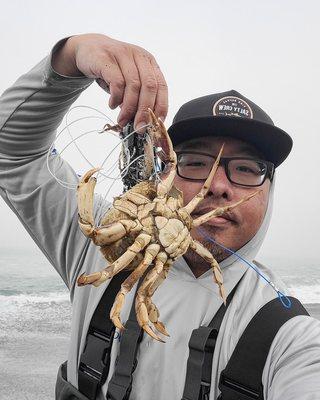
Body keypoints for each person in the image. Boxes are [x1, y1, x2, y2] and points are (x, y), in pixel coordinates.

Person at [0, 33, 319, 400]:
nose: (216, 186)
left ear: (270, 191)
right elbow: (13, 154)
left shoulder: (290, 337)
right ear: (166, 172)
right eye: (194, 163)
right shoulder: (106, 241)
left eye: (247, 169)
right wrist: (69, 59)